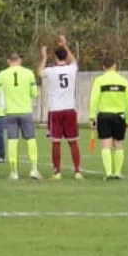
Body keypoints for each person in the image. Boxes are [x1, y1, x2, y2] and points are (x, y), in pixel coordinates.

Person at [0, 50, 39, 180]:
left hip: (10, 112)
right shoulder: (28, 73)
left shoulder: (3, 74)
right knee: (31, 139)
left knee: (12, 140)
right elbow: (34, 93)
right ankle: (34, 169)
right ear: (20, 60)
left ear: (9, 61)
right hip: (25, 111)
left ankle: (14, 172)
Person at [42, 37, 83, 180]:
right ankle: (77, 171)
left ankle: (57, 172)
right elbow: (74, 61)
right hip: (69, 109)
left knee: (56, 141)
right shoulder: (71, 69)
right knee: (73, 141)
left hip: (55, 110)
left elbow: (39, 72)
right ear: (66, 56)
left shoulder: (50, 71)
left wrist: (44, 56)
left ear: (54, 57)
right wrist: (65, 46)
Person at [90, 59, 128, 180]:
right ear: (115, 66)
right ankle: (118, 172)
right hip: (120, 115)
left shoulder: (99, 80)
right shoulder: (124, 81)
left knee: (106, 145)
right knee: (118, 144)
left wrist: (92, 116)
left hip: (104, 115)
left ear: (104, 67)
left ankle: (108, 173)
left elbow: (94, 99)